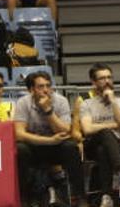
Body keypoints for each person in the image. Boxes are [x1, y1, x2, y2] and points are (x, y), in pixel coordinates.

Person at [15, 70, 89, 206]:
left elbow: (66, 130)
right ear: (31, 90)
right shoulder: (23, 103)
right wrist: (49, 140)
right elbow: (19, 134)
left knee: (71, 147)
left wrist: (48, 111)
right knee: (20, 149)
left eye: (48, 86)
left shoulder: (61, 101)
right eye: (41, 87)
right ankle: (24, 199)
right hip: (35, 147)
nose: (46, 90)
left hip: (57, 147)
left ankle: (80, 197)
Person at [79, 63, 120, 207]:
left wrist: (113, 102)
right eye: (102, 78)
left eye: (109, 77)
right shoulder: (87, 103)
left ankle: (107, 196)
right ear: (93, 82)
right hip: (92, 144)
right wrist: (111, 126)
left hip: (117, 146)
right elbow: (87, 129)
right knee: (105, 133)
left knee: (103, 150)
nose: (107, 81)